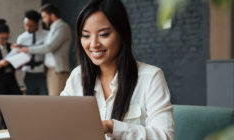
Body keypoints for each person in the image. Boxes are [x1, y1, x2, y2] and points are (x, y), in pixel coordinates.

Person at [60, 0, 175, 139]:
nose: (93, 44)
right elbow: (61, 124)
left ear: (122, 34)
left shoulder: (150, 77)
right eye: (85, 36)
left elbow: (166, 136)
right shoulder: (77, 76)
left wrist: (112, 127)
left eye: (103, 34)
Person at [17, 4, 72, 96]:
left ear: (52, 15)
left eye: (44, 17)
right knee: (52, 101)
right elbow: (43, 46)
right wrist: (21, 46)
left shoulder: (62, 27)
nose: (43, 20)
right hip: (51, 71)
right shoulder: (53, 28)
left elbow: (49, 47)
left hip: (58, 71)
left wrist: (27, 49)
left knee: (56, 102)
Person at [0, 22, 21, 129]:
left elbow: (16, 65)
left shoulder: (11, 47)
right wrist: (1, 63)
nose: (5, 41)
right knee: (5, 111)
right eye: (2, 38)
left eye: (7, 38)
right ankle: (6, 131)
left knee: (18, 107)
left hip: (11, 81)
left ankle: (15, 130)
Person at [16, 10, 48, 95]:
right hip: (27, 73)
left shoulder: (47, 35)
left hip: (42, 73)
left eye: (31, 26)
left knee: (45, 100)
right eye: (26, 25)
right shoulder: (21, 38)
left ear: (37, 24)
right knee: (30, 101)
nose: (27, 28)